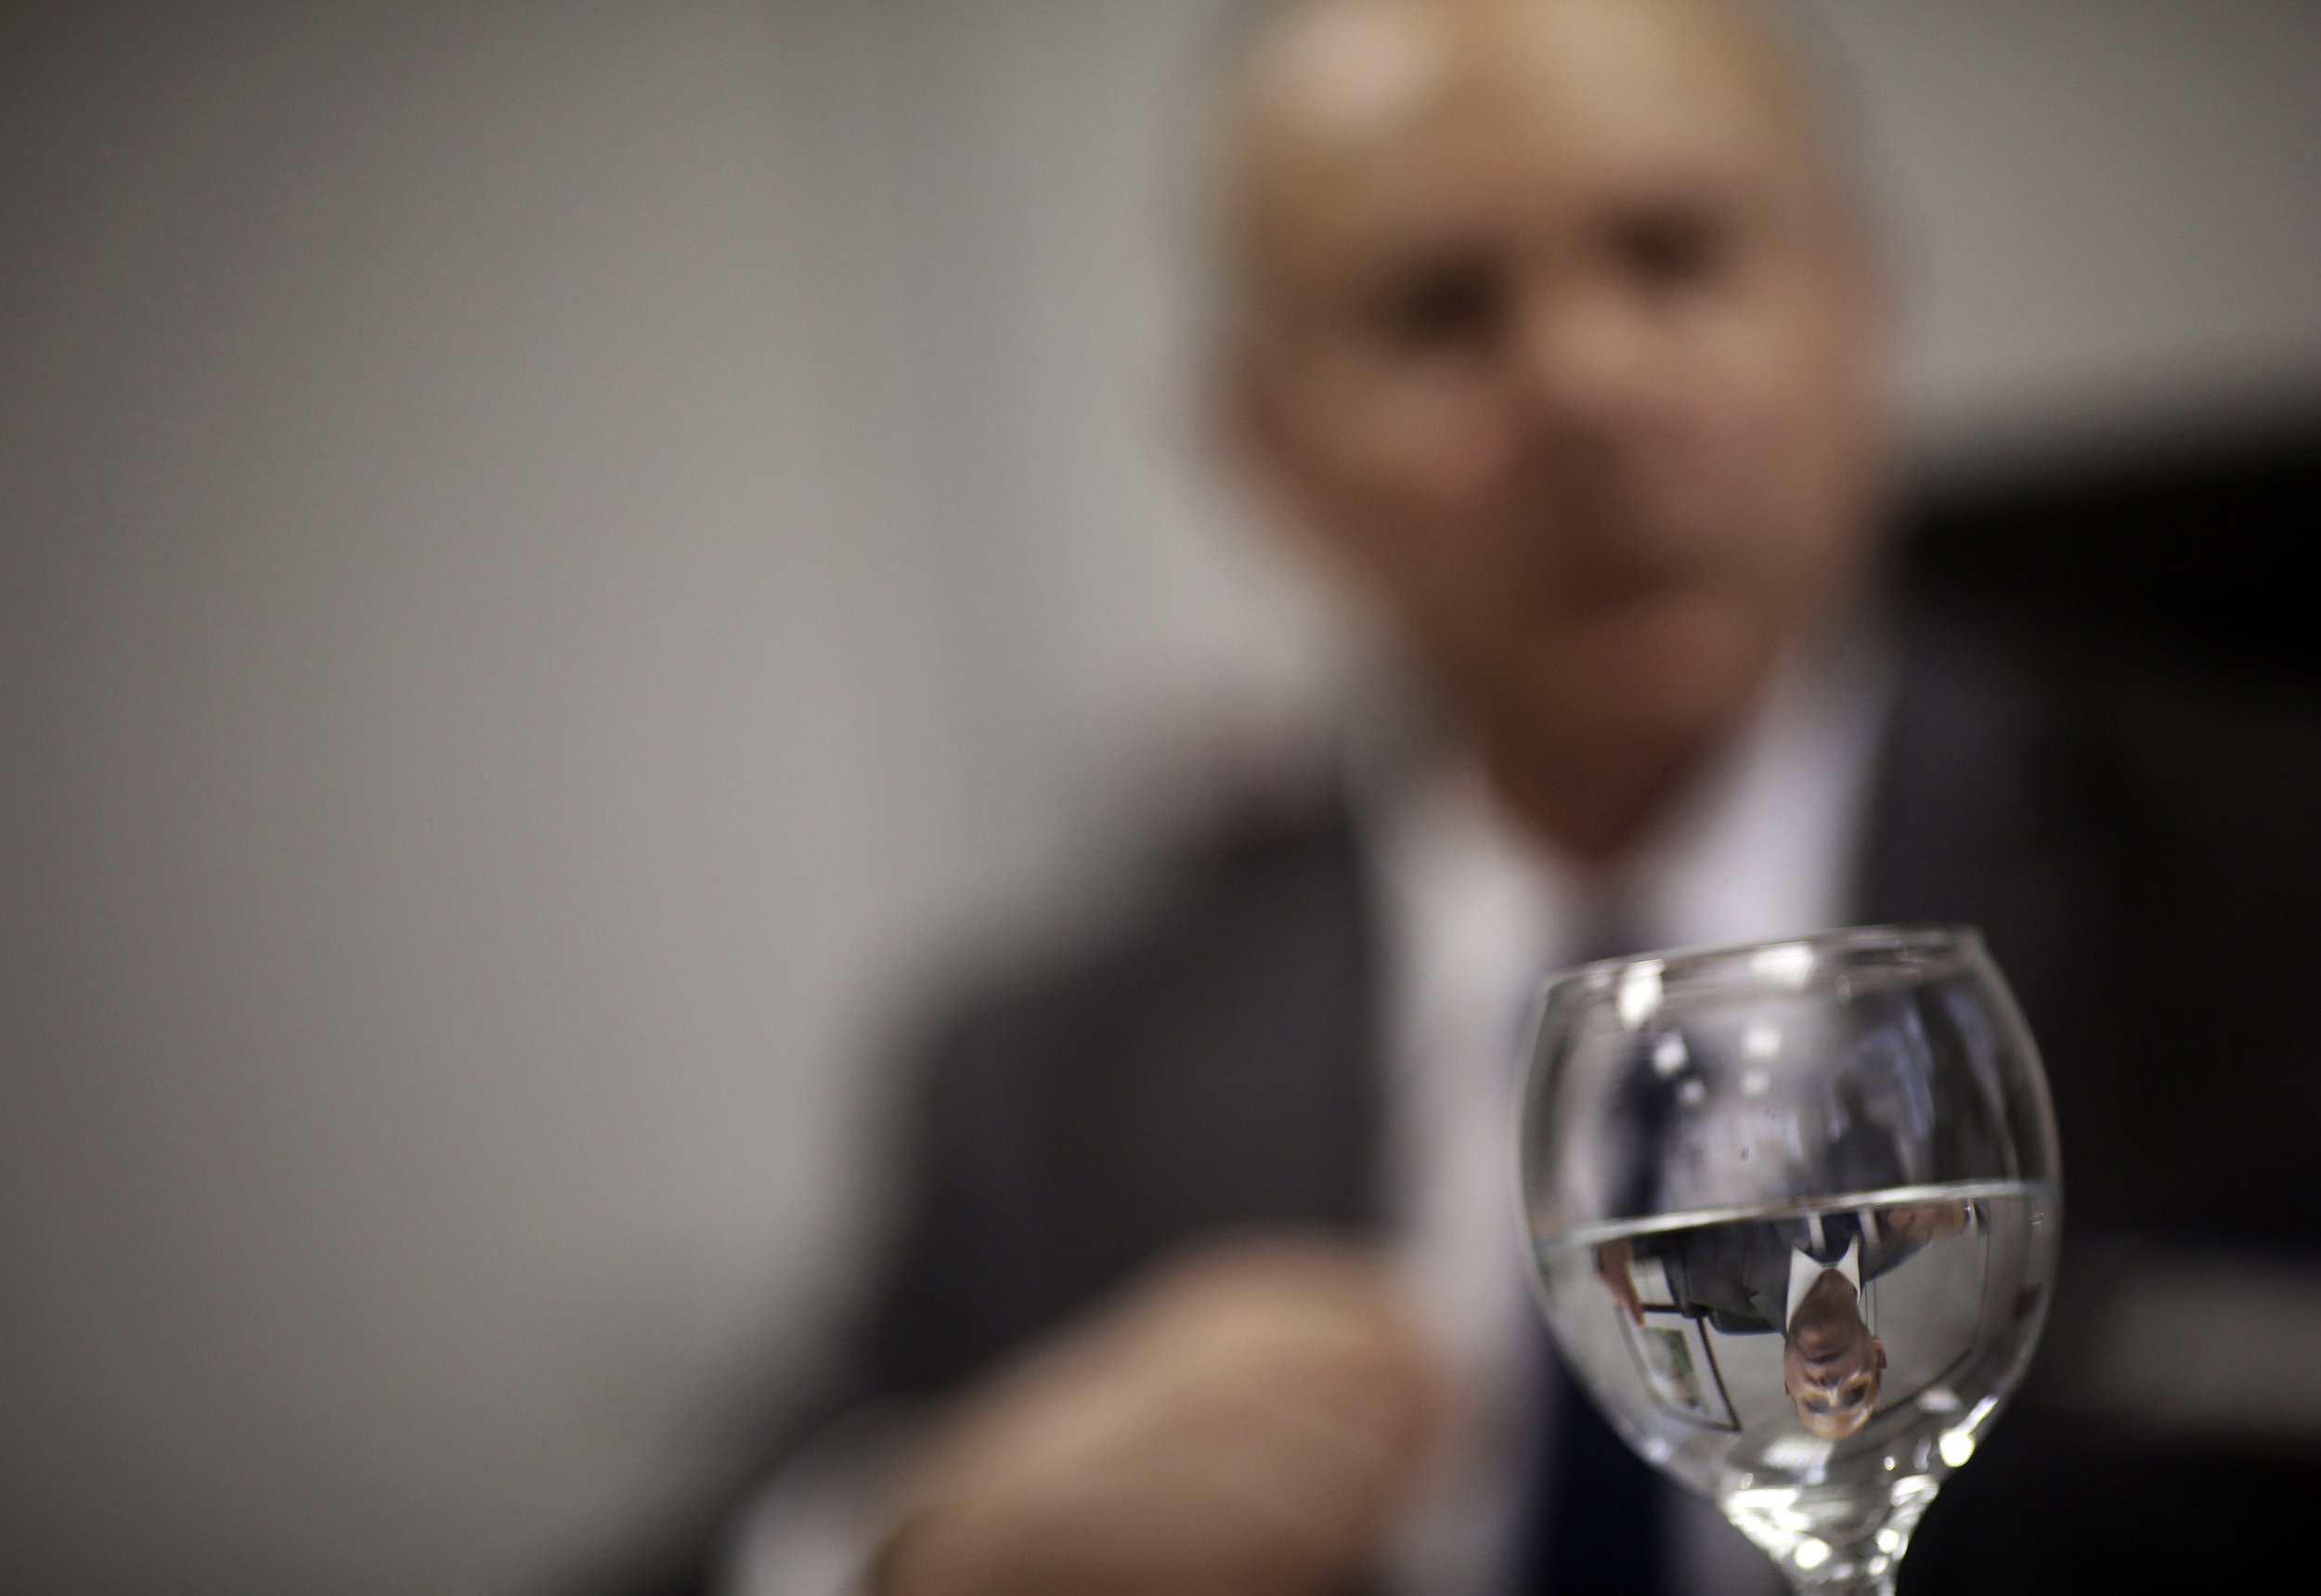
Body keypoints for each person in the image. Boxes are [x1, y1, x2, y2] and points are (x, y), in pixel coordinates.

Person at [604, 0, 2321, 1592]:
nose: (1586, 385)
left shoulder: (2263, 893)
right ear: (1264, 444)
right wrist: (925, 1546)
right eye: (1436, 310)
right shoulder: (1050, 1089)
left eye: (1676, 252)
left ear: (1861, 296)